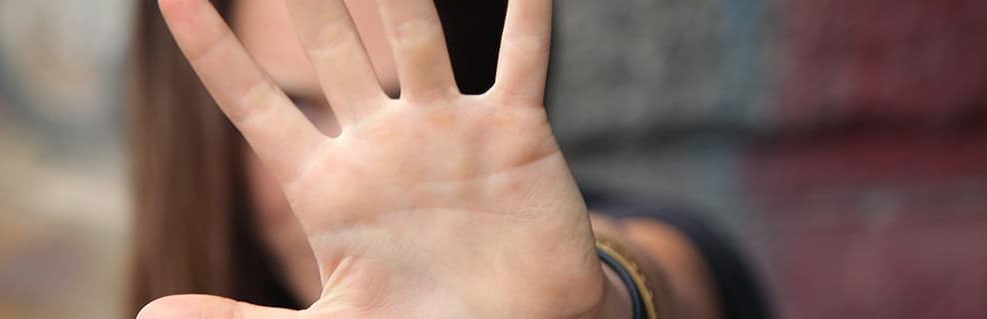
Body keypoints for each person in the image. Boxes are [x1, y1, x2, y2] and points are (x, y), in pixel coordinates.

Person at [129, 0, 769, 318]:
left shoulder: (629, 237)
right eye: (295, 108)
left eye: (395, 106)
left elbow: (667, 273)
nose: (349, 172)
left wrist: (601, 301)